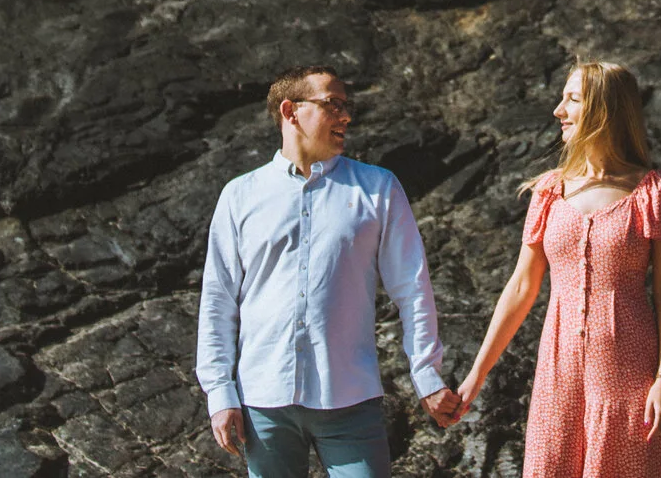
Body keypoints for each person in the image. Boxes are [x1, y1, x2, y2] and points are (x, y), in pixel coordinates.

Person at [197, 65, 463, 478]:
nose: (346, 116)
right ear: (291, 111)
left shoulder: (378, 187)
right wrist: (219, 392)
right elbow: (218, 300)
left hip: (351, 399)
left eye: (346, 106)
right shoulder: (239, 195)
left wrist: (426, 374)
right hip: (262, 401)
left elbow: (412, 288)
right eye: (333, 105)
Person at [452, 61, 661, 478]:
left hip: (628, 374)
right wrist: (477, 374)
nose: (558, 111)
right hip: (557, 375)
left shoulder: (653, 191)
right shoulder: (549, 191)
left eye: (572, 99)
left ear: (604, 109)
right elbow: (521, 286)